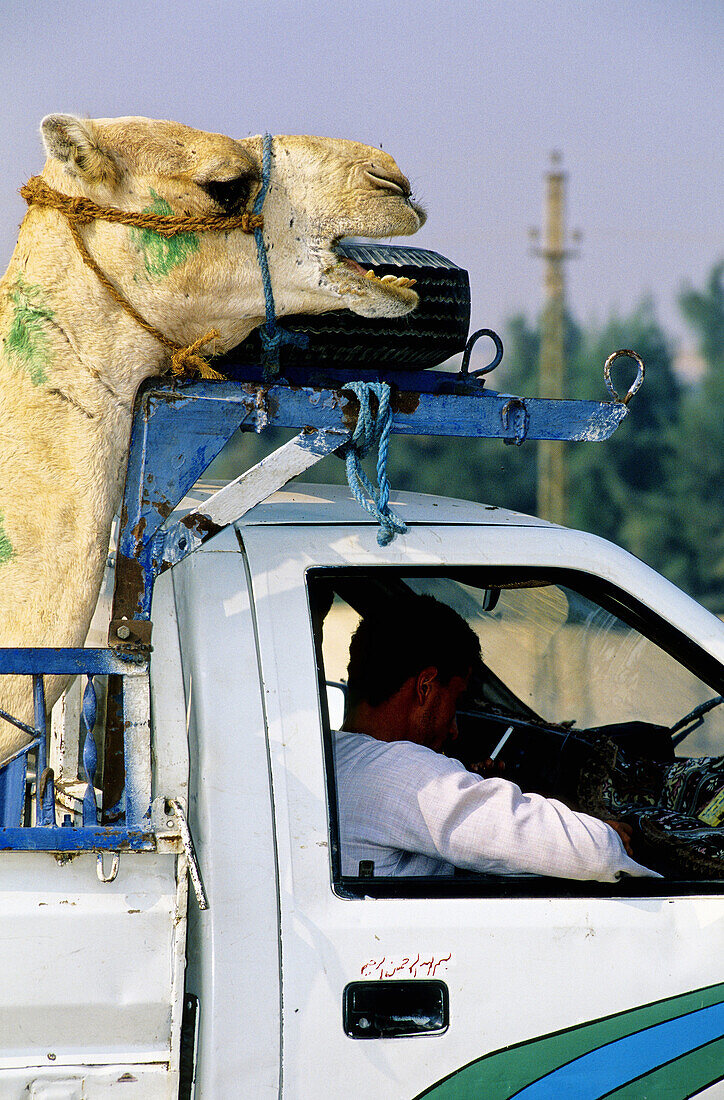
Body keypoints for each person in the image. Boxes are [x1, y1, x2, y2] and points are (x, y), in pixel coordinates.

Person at [334, 594, 659, 881]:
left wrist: (468, 783)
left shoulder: (335, 756)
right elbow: (594, 854)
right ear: (425, 687)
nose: (454, 730)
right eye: (457, 700)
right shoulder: (404, 773)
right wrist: (611, 836)